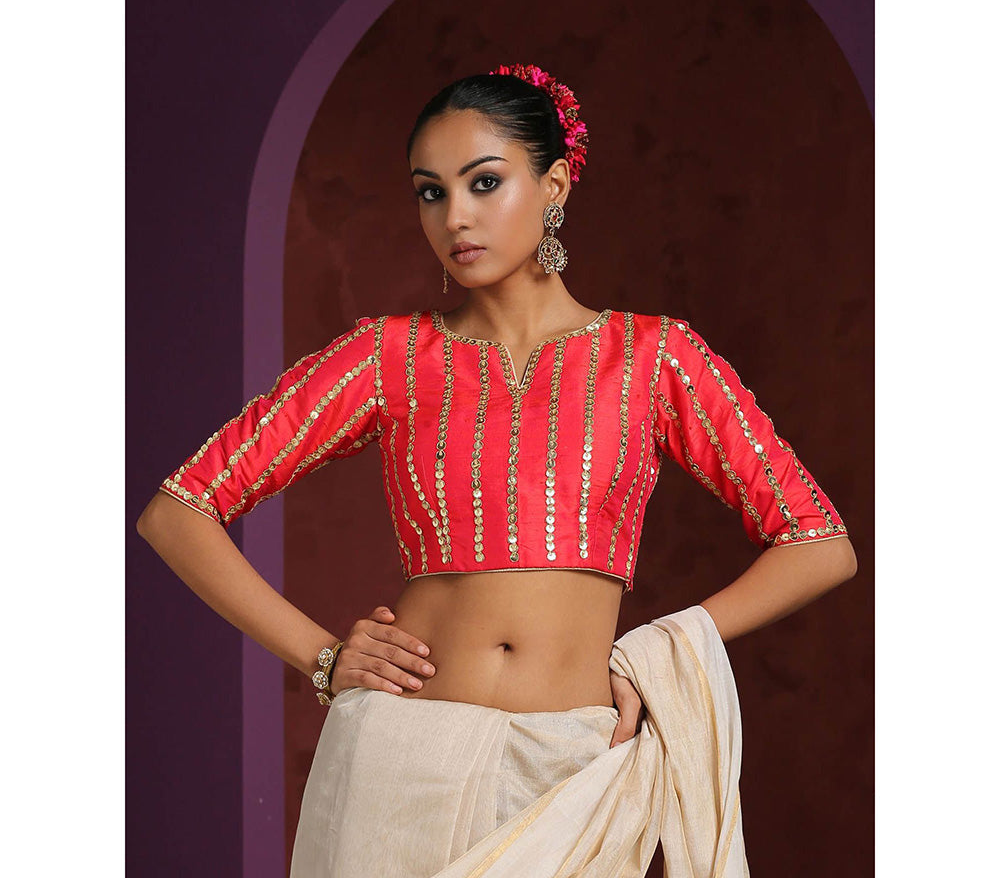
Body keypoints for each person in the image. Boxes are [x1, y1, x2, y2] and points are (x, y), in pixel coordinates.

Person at [135, 63, 858, 877]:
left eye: (484, 183)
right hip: (396, 757)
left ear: (555, 185)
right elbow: (178, 510)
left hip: (570, 763)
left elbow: (819, 543)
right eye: (431, 192)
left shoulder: (655, 358)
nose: (455, 216)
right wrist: (324, 657)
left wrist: (658, 645)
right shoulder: (387, 355)